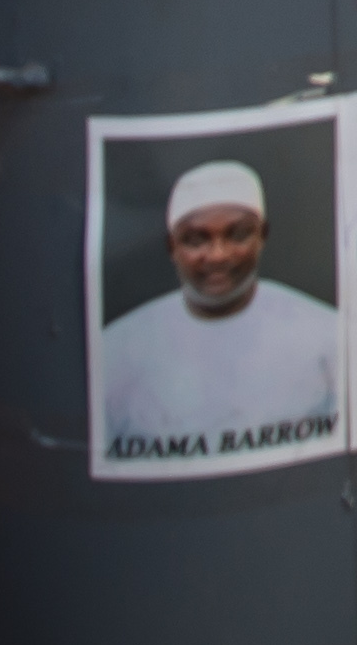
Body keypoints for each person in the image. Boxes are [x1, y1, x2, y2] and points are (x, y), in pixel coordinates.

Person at [97, 160, 339, 461]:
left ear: (262, 235)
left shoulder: (327, 335)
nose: (218, 255)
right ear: (171, 246)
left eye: (237, 235)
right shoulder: (115, 351)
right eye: (197, 239)